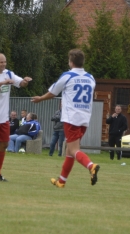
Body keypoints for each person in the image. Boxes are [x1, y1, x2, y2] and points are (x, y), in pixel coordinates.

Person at [31, 49, 100, 188]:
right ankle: (61, 181)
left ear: (71, 62)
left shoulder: (68, 76)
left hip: (71, 117)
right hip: (85, 117)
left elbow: (53, 92)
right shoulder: (90, 77)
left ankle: (91, 166)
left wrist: (40, 98)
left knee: (73, 150)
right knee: (69, 150)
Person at [0, 52, 32, 182]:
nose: (4, 64)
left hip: (3, 117)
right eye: (1, 62)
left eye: (5, 62)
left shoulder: (8, 73)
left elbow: (20, 83)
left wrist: (25, 81)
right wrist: (3, 83)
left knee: (4, 143)